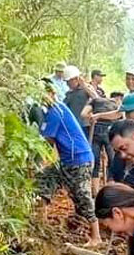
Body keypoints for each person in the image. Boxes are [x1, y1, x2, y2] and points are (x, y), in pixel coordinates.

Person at [36, 81, 101, 244]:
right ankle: (40, 221)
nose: (42, 98)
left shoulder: (56, 111)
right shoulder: (52, 111)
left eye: (44, 94)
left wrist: (36, 161)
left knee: (82, 195)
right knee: (45, 178)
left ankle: (96, 236)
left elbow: (47, 141)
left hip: (79, 159)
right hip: (66, 160)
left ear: (52, 93)